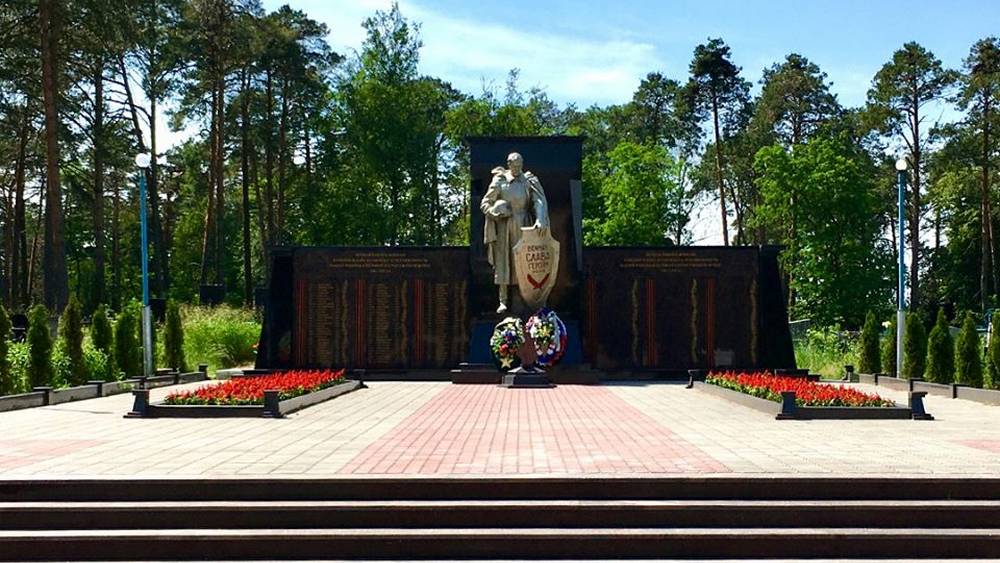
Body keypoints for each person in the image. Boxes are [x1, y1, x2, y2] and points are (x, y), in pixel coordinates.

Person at [481, 152, 549, 313]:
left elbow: (538, 201)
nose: (518, 169)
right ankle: (503, 300)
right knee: (504, 261)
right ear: (509, 165)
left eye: (520, 166)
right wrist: (495, 212)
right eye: (515, 166)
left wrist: (540, 218)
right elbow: (485, 203)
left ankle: (528, 297)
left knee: (524, 261)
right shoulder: (500, 181)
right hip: (505, 225)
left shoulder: (528, 180)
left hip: (524, 223)